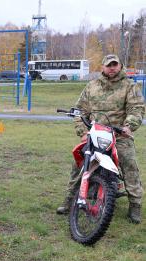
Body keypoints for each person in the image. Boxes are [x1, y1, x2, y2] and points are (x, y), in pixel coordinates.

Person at [56, 54, 145, 224]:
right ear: (103, 67)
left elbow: (137, 109)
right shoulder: (92, 86)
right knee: (79, 162)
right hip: (94, 133)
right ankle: (70, 200)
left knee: (129, 163)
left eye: (115, 65)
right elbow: (80, 110)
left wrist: (129, 126)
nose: (112, 68)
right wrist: (83, 131)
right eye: (108, 65)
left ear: (119, 66)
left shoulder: (129, 86)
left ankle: (135, 204)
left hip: (118, 135)